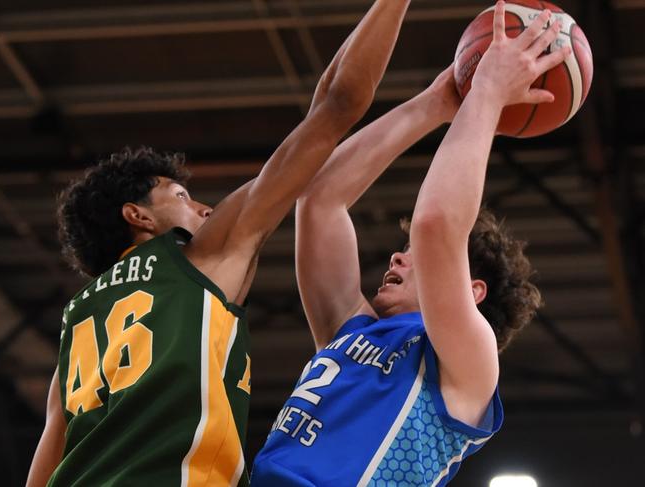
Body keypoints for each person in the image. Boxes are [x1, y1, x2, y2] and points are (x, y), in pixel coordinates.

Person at [25, 1, 415, 486]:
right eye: (182, 196)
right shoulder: (197, 260)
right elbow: (337, 104)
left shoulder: (77, 323)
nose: (205, 210)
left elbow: (43, 469)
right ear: (138, 216)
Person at [251, 2, 569, 485]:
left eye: (414, 258)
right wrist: (433, 104)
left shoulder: (468, 361)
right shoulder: (350, 332)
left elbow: (437, 224)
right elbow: (320, 200)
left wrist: (488, 92)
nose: (397, 256)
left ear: (473, 289)